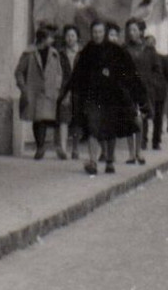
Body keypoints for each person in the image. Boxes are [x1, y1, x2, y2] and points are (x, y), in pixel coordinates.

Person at [57, 20, 144, 175]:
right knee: (92, 128)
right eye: (94, 32)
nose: (97, 35)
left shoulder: (116, 50)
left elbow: (129, 73)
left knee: (110, 130)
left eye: (100, 32)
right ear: (91, 33)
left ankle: (109, 161)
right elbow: (77, 74)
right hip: (92, 97)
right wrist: (68, 93)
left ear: (104, 33)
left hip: (111, 97)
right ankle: (93, 162)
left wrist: (136, 95)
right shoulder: (88, 51)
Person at [15, 26, 69, 159]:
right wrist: (23, 87)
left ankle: (55, 147)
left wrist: (57, 88)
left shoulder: (54, 54)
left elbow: (59, 73)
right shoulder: (29, 53)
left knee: (50, 119)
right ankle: (40, 147)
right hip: (34, 91)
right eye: (50, 37)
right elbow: (19, 72)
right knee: (38, 120)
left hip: (50, 91)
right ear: (43, 39)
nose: (52, 39)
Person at [123, 20, 158, 163]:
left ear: (141, 32)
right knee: (130, 120)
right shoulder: (124, 49)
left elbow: (156, 69)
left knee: (140, 120)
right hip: (128, 88)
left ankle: (139, 151)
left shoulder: (149, 50)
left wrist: (151, 83)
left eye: (134, 30)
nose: (131, 33)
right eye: (129, 30)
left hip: (143, 89)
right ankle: (131, 153)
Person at [59, 24, 86, 159]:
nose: (70, 38)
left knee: (76, 120)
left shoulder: (82, 54)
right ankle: (63, 149)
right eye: (68, 36)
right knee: (63, 118)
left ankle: (75, 148)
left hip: (79, 90)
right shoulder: (60, 54)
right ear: (64, 38)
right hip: (64, 89)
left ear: (77, 38)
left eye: (72, 36)